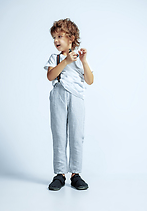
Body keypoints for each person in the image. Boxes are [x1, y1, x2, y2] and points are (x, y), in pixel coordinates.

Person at [44, 18, 94, 191]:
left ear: (71, 38)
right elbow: (50, 77)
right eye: (54, 38)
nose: (56, 41)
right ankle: (59, 174)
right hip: (58, 95)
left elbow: (90, 80)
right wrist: (65, 61)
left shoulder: (80, 58)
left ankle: (75, 174)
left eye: (59, 36)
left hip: (77, 97)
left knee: (76, 135)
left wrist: (84, 61)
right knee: (59, 134)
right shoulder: (55, 57)